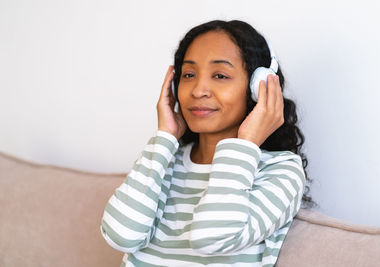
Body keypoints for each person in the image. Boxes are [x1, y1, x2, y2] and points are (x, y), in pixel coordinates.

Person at [100, 19, 312, 266]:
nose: (198, 90)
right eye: (188, 75)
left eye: (220, 75)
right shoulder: (164, 158)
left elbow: (212, 239)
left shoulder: (281, 170)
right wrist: (164, 137)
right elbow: (121, 236)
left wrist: (246, 143)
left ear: (259, 87)